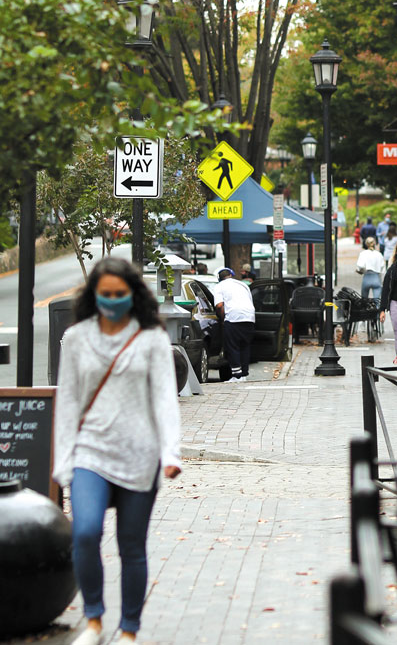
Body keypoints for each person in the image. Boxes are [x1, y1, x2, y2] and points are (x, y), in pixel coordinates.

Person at [52, 258, 182, 645]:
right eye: (104, 294)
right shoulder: (76, 338)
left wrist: (170, 453)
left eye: (119, 294)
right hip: (90, 452)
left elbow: (165, 399)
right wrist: (62, 460)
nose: (111, 300)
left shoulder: (151, 338)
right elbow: (68, 402)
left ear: (133, 294)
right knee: (85, 533)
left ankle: (129, 629)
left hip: (139, 456)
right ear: (93, 295)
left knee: (131, 546)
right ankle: (93, 620)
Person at [214, 267, 256, 382]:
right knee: (245, 346)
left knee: (233, 346)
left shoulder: (219, 286)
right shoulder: (243, 285)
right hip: (249, 317)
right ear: (231, 275)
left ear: (219, 278)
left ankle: (237, 375)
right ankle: (244, 374)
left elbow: (219, 306)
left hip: (233, 317)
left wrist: (222, 319)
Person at [356, 236, 386, 302]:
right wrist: (383, 281)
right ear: (375, 243)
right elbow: (383, 270)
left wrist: (361, 270)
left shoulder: (363, 253)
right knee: (377, 301)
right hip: (376, 278)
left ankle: (365, 308)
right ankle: (376, 308)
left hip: (366, 277)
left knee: (364, 301)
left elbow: (360, 265)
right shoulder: (379, 254)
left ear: (366, 244)